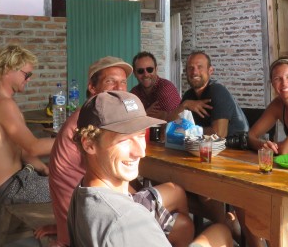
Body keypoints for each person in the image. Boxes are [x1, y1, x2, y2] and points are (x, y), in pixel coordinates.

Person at [48, 56, 193, 246]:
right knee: (189, 224)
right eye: (111, 81)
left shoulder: (86, 118)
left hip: (85, 206)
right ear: (92, 87)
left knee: (176, 192)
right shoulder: (92, 123)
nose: (119, 88)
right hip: (92, 216)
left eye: (123, 82)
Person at [68, 90, 233, 247]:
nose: (140, 152)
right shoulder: (127, 221)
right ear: (89, 144)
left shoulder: (82, 193)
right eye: (124, 139)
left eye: (141, 135)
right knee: (221, 232)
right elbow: (126, 223)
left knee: (190, 221)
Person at [0, 44, 55, 204]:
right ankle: (60, 228)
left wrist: (44, 168)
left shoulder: (0, 101)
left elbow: (21, 150)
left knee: (65, 177)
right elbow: (33, 147)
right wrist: (74, 139)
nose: (29, 79)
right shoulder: (3, 104)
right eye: (27, 74)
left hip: (16, 179)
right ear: (8, 70)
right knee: (74, 187)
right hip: (10, 187)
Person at [177, 51, 249, 138]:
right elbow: (170, 126)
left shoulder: (217, 91)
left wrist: (189, 131)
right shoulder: (189, 96)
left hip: (234, 148)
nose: (194, 72)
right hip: (203, 147)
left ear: (210, 71)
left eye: (199, 67)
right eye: (190, 68)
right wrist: (185, 105)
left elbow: (219, 134)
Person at [130, 51, 181, 122]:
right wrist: (145, 113)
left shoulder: (166, 89)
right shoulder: (134, 93)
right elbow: (129, 121)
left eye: (149, 70)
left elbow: (173, 120)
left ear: (156, 69)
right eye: (140, 71)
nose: (146, 74)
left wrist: (140, 116)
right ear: (135, 73)